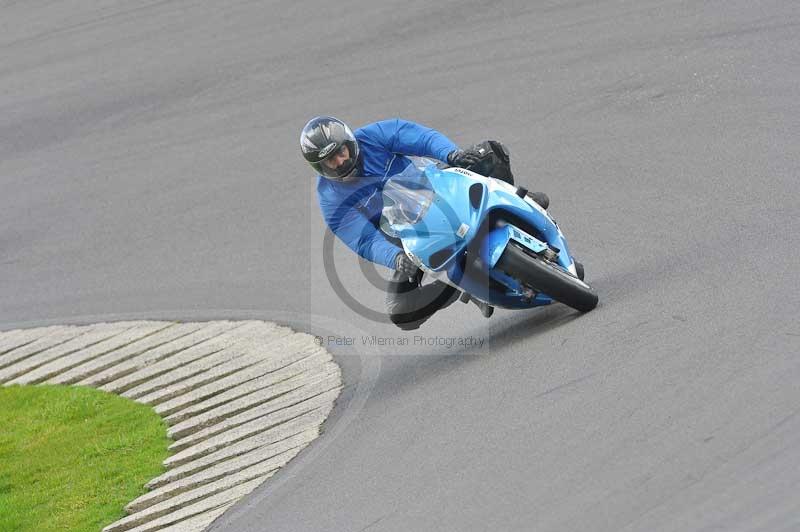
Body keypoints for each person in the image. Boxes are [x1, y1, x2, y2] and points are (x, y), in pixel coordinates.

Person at [300, 116, 549, 330]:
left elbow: (424, 139)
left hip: (438, 192)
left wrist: (452, 154)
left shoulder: (375, 135)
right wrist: (396, 258)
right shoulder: (330, 200)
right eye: (330, 161)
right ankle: (460, 285)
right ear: (319, 167)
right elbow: (364, 239)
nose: (340, 162)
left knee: (489, 152)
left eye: (340, 152)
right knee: (401, 312)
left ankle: (519, 202)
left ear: (349, 142)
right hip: (410, 239)